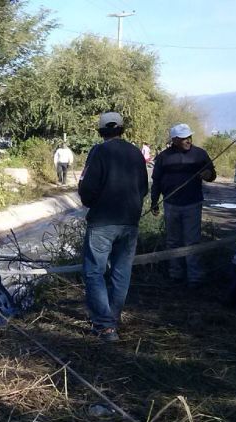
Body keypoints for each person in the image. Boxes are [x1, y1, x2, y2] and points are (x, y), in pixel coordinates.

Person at [78, 112, 148, 342]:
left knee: (94, 272)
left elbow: (87, 187)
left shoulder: (99, 151)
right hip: (130, 222)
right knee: (121, 271)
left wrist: (90, 202)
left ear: (101, 131)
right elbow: (144, 188)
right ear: (121, 129)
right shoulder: (136, 152)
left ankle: (105, 326)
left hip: (102, 221)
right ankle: (113, 318)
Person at [150, 123, 216, 287]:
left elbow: (212, 174)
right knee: (173, 241)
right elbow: (156, 181)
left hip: (192, 203)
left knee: (192, 241)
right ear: (174, 140)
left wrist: (208, 174)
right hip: (170, 204)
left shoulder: (200, 154)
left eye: (189, 137)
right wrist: (154, 202)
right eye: (183, 138)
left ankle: (194, 277)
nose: (188, 140)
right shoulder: (164, 157)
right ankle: (176, 274)